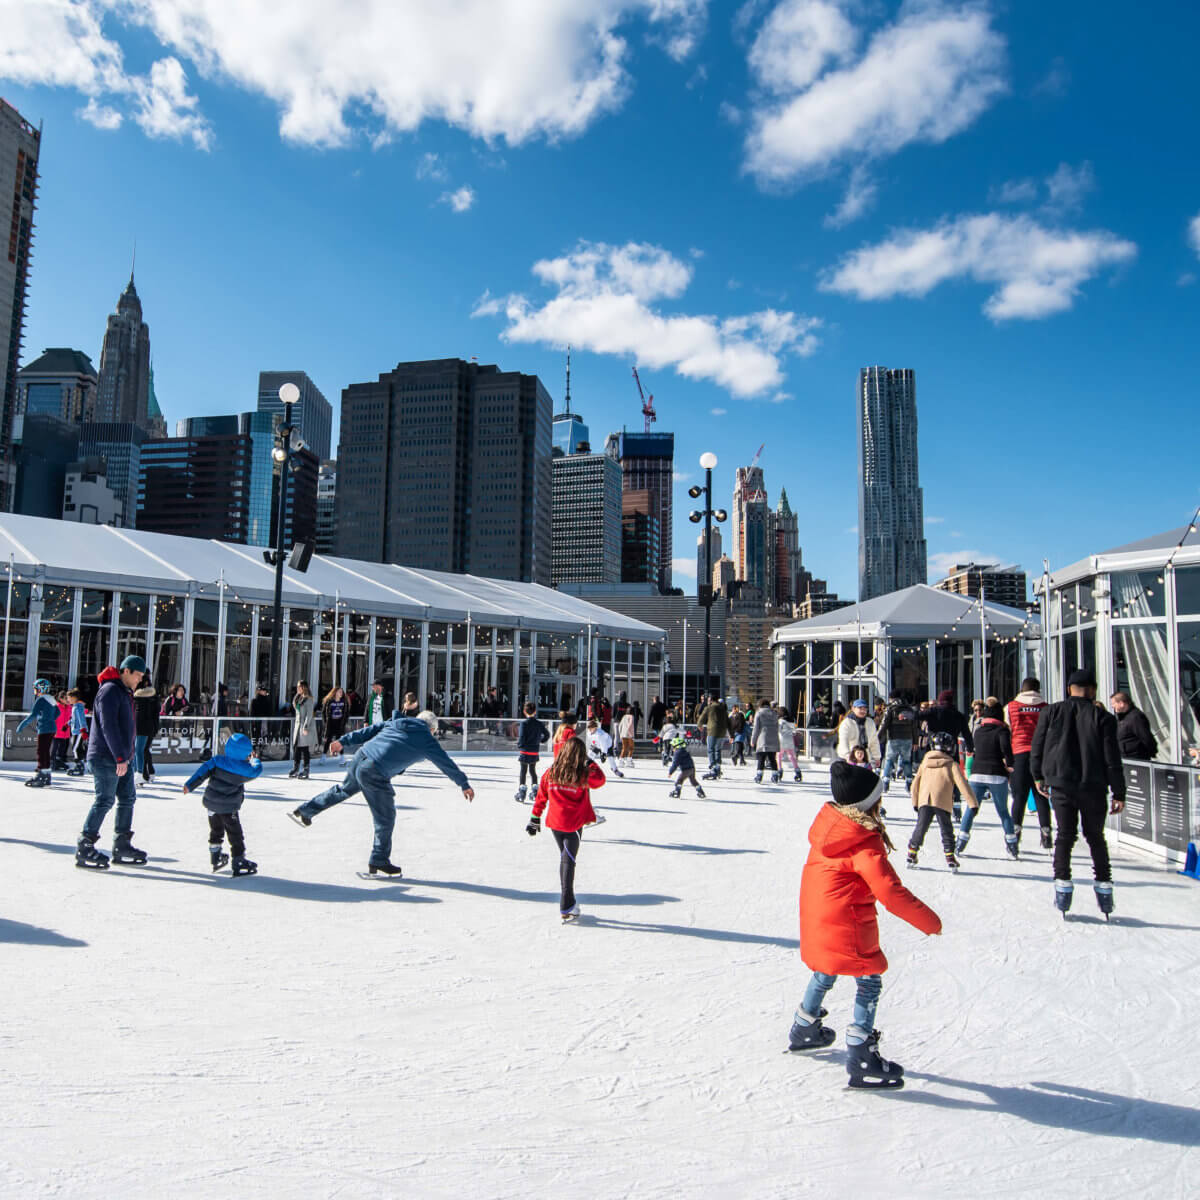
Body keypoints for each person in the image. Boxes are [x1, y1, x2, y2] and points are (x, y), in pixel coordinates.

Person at [788, 761, 941, 1089]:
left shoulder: (830, 829)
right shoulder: (861, 840)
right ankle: (861, 1054)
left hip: (818, 920)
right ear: (869, 803)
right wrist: (930, 921)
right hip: (848, 924)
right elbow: (889, 891)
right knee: (868, 978)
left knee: (826, 968)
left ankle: (804, 1026)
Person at [290, 711, 475, 876]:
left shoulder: (396, 722)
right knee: (385, 817)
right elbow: (445, 762)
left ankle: (306, 810)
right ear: (432, 728)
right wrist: (464, 783)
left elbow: (368, 731)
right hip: (374, 770)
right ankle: (379, 859)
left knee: (343, 790)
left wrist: (342, 741)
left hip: (360, 757)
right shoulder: (426, 739)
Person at [1031, 669, 1125, 918]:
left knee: (1065, 835)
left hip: (1061, 783)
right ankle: (1104, 890)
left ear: (1069, 689)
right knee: (1095, 837)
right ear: (1092, 689)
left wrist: (1038, 776)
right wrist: (1119, 791)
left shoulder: (1050, 712)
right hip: (1093, 785)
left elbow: (1037, 746)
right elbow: (1112, 759)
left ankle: (1063, 888)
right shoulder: (1103, 717)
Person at [75, 655, 147, 869]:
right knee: (105, 799)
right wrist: (119, 756)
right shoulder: (109, 691)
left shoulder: (123, 692)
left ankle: (121, 843)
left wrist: (126, 756)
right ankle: (85, 845)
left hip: (122, 758)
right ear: (126, 671)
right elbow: (109, 727)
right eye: (138, 676)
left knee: (127, 798)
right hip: (106, 757)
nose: (139, 681)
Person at [525, 735, 606, 923]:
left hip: (555, 824)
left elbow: (541, 796)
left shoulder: (551, 772)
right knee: (568, 861)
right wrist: (590, 761)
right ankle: (567, 905)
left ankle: (568, 904)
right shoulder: (582, 774)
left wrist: (535, 818)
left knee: (566, 858)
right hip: (572, 824)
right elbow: (600, 780)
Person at [183, 731, 262, 876]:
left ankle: (215, 856)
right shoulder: (244, 769)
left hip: (211, 804)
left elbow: (202, 772)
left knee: (216, 831)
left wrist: (190, 785)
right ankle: (238, 859)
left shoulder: (217, 760)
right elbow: (257, 770)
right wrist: (255, 760)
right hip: (229, 807)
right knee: (235, 834)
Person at [906, 732, 975, 871]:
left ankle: (912, 853)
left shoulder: (925, 762)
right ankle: (950, 856)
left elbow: (915, 784)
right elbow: (962, 785)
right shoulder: (951, 765)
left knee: (921, 827)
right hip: (942, 801)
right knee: (946, 829)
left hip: (925, 800)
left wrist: (915, 802)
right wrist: (973, 803)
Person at [958, 701, 1019, 859]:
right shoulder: (1002, 731)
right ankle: (1012, 844)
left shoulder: (979, 730)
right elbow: (1006, 750)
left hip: (977, 774)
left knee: (971, 808)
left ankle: (960, 841)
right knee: (1004, 812)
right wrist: (1010, 765)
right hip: (996, 774)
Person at [1006, 677, 1051, 851]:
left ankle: (1015, 835)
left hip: (1019, 755)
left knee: (1019, 797)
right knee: (1041, 796)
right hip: (1040, 756)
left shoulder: (1011, 707)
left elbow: (1007, 731)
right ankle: (1046, 833)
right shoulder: (1046, 708)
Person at [16, 678, 59, 788]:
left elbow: (33, 715)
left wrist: (22, 725)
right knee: (45, 751)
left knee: (41, 751)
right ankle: (47, 774)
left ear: (40, 689)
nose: (34, 690)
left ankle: (41, 774)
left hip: (44, 729)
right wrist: (48, 718)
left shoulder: (41, 700)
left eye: (35, 688)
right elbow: (57, 713)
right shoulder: (52, 699)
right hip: (52, 728)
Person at [878, 691, 916, 791]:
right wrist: (915, 741)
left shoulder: (890, 708)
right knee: (907, 761)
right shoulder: (910, 709)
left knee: (889, 760)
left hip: (893, 737)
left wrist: (877, 737)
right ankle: (908, 781)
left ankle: (886, 782)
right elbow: (914, 727)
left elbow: (884, 724)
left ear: (891, 698)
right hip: (908, 738)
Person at [514, 701, 549, 802]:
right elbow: (547, 734)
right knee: (533, 771)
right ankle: (535, 791)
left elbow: (521, 737)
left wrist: (520, 746)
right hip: (534, 751)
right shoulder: (539, 724)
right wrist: (541, 741)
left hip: (525, 751)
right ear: (535, 712)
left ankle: (522, 791)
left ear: (525, 711)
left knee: (523, 771)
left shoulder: (524, 724)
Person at [1111, 692, 1158, 760]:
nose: (1112, 706)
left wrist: (1151, 752)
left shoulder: (1136, 717)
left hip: (1136, 759)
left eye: (1113, 703)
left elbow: (1146, 737)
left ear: (1121, 703)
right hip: (1126, 758)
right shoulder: (1123, 718)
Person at [836, 697, 881, 766]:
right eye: (860, 708)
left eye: (865, 709)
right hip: (848, 757)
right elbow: (843, 740)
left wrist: (877, 757)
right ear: (853, 709)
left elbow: (874, 741)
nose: (863, 711)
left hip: (863, 758)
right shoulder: (847, 723)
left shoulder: (870, 722)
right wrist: (847, 755)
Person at [133, 675, 160, 784]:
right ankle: (148, 773)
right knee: (144, 750)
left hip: (143, 726)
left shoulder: (139, 697)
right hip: (148, 726)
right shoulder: (151, 697)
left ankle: (142, 774)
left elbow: (154, 713)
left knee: (141, 750)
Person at [697, 694, 730, 780]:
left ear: (711, 700)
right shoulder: (723, 708)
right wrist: (732, 734)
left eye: (708, 700)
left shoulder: (710, 707)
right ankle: (718, 766)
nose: (708, 702)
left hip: (712, 731)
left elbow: (702, 716)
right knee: (718, 750)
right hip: (722, 732)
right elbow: (728, 721)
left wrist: (699, 724)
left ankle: (713, 767)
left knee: (711, 749)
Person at [289, 681, 316, 779]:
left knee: (304, 749)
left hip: (304, 727)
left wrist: (306, 727)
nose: (297, 689)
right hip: (297, 727)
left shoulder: (308, 700)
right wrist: (297, 694)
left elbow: (309, 715)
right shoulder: (300, 698)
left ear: (304, 687)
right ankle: (295, 768)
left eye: (299, 687)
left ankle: (306, 769)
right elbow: (294, 705)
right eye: (297, 687)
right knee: (297, 748)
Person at [751, 699, 781, 784]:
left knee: (761, 758)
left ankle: (759, 775)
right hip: (774, 738)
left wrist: (753, 740)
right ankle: (775, 775)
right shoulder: (774, 713)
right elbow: (777, 727)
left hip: (763, 738)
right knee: (772, 759)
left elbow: (756, 728)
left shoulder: (759, 713)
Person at [667, 734, 706, 799]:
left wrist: (670, 772)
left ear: (676, 746)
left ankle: (677, 792)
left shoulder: (678, 753)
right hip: (692, 768)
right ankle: (701, 792)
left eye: (673, 746)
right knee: (693, 781)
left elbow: (675, 764)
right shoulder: (684, 751)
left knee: (679, 780)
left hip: (686, 770)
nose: (672, 748)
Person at [777, 705, 802, 782]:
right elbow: (794, 730)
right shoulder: (792, 720)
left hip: (781, 740)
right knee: (791, 756)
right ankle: (797, 770)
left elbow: (778, 730)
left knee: (779, 756)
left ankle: (779, 770)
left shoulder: (780, 721)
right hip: (790, 740)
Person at [66, 689, 89, 776]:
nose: (68, 700)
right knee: (77, 748)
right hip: (75, 731)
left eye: (69, 698)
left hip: (79, 731)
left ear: (74, 698)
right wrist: (67, 724)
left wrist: (83, 730)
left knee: (75, 749)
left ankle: (79, 765)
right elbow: (73, 719)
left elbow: (81, 719)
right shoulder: (75, 706)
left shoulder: (78, 707)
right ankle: (79, 765)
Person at [321, 686, 348, 755]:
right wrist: (326, 722)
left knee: (339, 741)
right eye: (339, 692)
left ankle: (342, 757)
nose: (341, 693)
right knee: (328, 739)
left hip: (339, 723)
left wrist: (344, 722)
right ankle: (323, 756)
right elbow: (324, 712)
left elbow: (346, 713)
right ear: (335, 693)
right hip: (331, 723)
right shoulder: (329, 702)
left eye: (342, 692)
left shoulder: (344, 702)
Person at [249, 684, 274, 755]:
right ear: (259, 691)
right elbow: (252, 713)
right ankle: (254, 751)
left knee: (263, 737)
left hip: (264, 723)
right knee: (256, 737)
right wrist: (253, 722)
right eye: (263, 691)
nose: (265, 692)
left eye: (265, 691)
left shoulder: (267, 701)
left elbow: (270, 713)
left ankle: (261, 751)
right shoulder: (254, 701)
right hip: (257, 723)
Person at [51, 690, 72, 771]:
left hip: (65, 732)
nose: (67, 700)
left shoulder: (69, 707)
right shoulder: (56, 707)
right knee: (54, 747)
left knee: (62, 748)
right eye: (65, 698)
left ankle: (59, 761)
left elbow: (76, 711)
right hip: (56, 731)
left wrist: (88, 711)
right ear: (60, 699)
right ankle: (52, 762)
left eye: (68, 698)